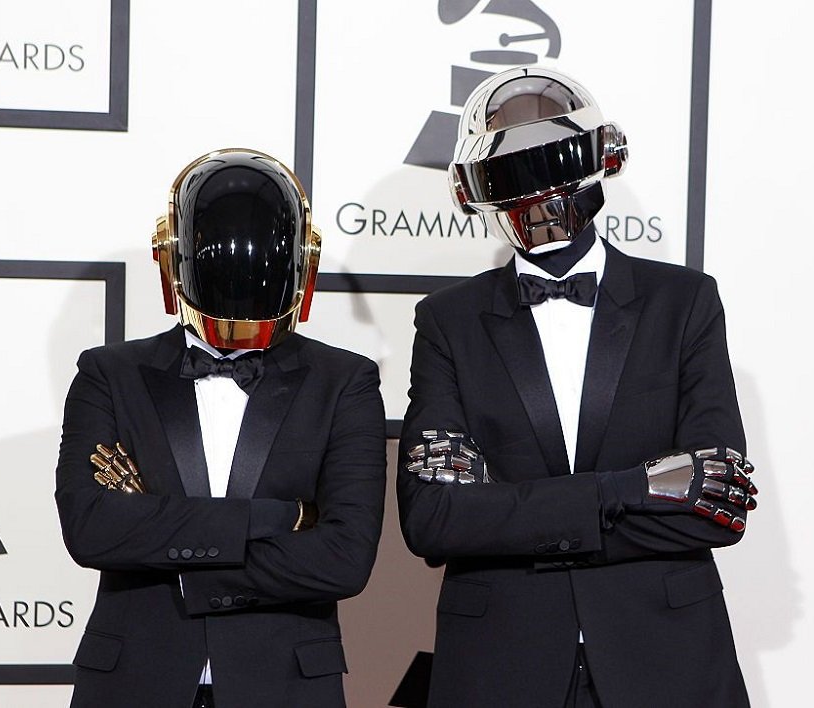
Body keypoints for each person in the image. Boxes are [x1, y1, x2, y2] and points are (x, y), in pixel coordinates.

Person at [397, 68, 757, 708]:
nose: (539, 197)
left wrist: (515, 515)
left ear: (597, 161)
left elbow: (716, 504)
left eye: (553, 165)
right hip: (500, 664)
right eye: (512, 175)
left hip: (668, 656)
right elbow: (436, 520)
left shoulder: (685, 302)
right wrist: (630, 488)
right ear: (478, 191)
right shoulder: (446, 320)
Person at [56, 149, 386, 708]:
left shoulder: (345, 381)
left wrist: (177, 551)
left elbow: (345, 559)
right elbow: (92, 529)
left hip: (285, 686)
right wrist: (278, 518)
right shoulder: (108, 374)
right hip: (132, 681)